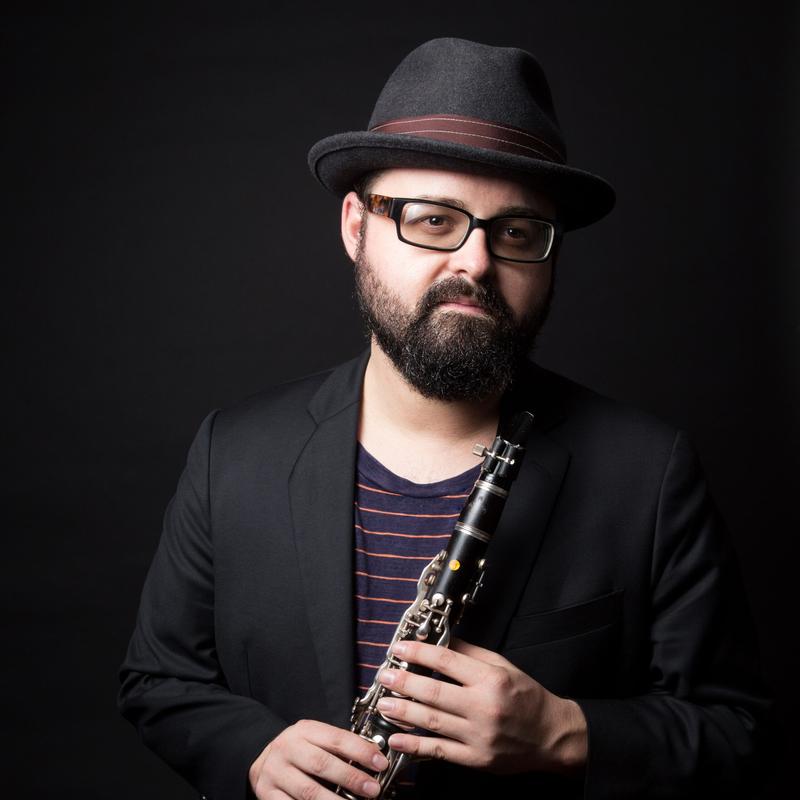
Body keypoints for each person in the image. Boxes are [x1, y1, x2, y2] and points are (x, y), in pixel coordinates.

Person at [118, 38, 769, 799]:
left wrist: (565, 733)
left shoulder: (648, 473)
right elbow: (159, 680)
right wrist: (253, 754)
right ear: (355, 227)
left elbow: (741, 734)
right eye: (433, 220)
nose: (476, 262)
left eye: (516, 232)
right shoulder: (232, 451)